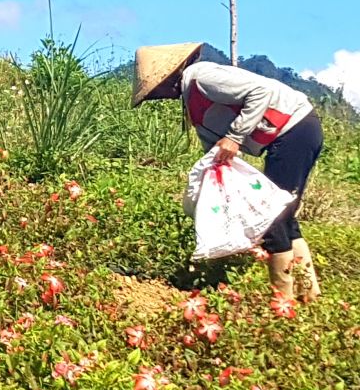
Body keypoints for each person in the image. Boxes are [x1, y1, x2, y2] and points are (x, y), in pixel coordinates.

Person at [132, 42, 322, 300]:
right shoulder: (192, 96)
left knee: (273, 220)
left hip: (294, 130)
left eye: (157, 89)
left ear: (169, 77)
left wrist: (235, 137)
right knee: (283, 217)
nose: (159, 96)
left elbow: (260, 92)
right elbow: (214, 148)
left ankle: (283, 304)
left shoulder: (201, 77)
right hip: (292, 134)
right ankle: (308, 296)